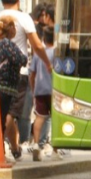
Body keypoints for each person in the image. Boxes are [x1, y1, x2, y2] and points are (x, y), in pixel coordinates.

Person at [0, 0, 52, 159]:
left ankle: (14, 148)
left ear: (2, 1)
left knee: (4, 112)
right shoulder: (24, 18)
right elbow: (37, 45)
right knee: (10, 114)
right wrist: (47, 63)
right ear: (18, 0)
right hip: (17, 73)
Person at [0, 16, 28, 143]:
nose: (15, 29)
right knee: (3, 117)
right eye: (14, 26)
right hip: (5, 87)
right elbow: (22, 59)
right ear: (10, 28)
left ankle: (0, 148)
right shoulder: (7, 43)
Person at [27, 26, 55, 161]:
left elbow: (32, 74)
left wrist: (33, 90)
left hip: (40, 90)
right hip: (55, 90)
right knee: (57, 119)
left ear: (44, 38)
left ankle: (37, 144)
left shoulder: (39, 53)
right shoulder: (57, 53)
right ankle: (56, 148)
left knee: (40, 117)